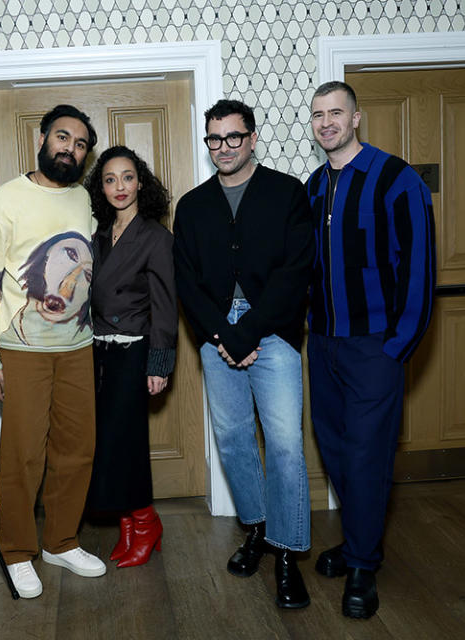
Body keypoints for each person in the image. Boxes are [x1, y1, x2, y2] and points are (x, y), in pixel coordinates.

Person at [173, 100, 314, 608]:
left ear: (253, 138)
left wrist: (248, 333)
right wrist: (222, 336)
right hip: (216, 342)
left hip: (272, 338)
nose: (224, 148)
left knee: (283, 446)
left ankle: (285, 553)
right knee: (233, 441)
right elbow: (185, 281)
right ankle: (256, 529)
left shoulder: (287, 193)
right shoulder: (192, 205)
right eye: (214, 139)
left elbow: (295, 271)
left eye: (233, 137)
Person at [305, 80, 435, 619]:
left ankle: (363, 565)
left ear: (357, 118)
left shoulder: (396, 179)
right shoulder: (313, 186)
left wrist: (396, 348)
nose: (327, 122)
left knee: (366, 453)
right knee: (334, 448)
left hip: (375, 347)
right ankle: (360, 538)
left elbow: (421, 270)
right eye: (318, 115)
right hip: (324, 344)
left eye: (336, 112)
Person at [0, 104, 105, 598]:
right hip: (20, 349)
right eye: (63, 137)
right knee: (23, 454)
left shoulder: (84, 201)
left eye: (81, 143)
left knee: (76, 449)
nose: (71, 148)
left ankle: (61, 541)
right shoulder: (5, 200)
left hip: (78, 346)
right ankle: (18, 551)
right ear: (43, 139)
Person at [83, 146, 177, 568]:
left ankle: (147, 524)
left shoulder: (156, 237)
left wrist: (159, 365)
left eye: (126, 177)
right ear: (100, 188)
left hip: (134, 354)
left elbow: (165, 307)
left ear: (140, 182)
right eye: (109, 179)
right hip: (96, 356)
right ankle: (128, 531)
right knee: (108, 446)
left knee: (129, 446)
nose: (119, 187)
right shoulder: (97, 235)